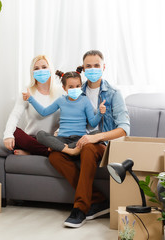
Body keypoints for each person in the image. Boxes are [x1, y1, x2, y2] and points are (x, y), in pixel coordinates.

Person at [49, 50, 130, 228]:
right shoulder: (76, 90)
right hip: (77, 141)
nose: (92, 69)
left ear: (103, 67)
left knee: (88, 148)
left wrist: (96, 138)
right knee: (55, 155)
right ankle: (98, 200)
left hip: (102, 144)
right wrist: (59, 133)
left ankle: (80, 209)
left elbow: (124, 129)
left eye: (96, 65)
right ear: (83, 69)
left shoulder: (113, 93)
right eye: (88, 66)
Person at [22, 70, 106, 156]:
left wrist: (100, 113)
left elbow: (92, 123)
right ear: (64, 88)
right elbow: (44, 112)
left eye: (78, 86)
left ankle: (60, 148)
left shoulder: (85, 101)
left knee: (97, 133)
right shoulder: (61, 101)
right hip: (62, 139)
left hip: (80, 139)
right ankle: (70, 150)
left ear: (81, 86)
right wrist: (30, 99)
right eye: (71, 87)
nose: (75, 89)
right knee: (40, 135)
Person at [3, 55, 61, 156]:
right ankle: (48, 152)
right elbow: (15, 115)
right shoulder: (27, 91)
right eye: (36, 68)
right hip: (32, 139)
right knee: (15, 132)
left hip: (53, 140)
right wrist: (7, 135)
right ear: (32, 72)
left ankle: (32, 152)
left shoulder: (61, 92)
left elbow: (68, 118)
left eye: (44, 67)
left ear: (50, 69)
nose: (41, 70)